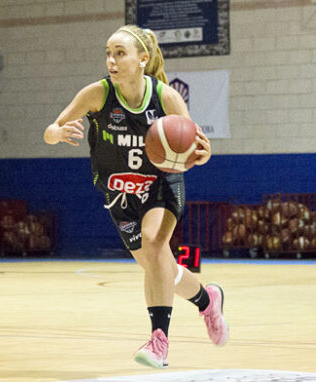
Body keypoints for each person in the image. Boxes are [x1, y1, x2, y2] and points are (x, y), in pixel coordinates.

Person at [43, 25, 227, 369]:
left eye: (120, 53)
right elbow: (51, 130)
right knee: (160, 268)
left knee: (156, 247)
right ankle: (207, 299)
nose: (112, 61)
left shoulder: (166, 98)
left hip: (161, 185)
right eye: (108, 54)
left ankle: (159, 342)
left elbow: (193, 149)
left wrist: (202, 154)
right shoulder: (96, 95)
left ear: (143, 59)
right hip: (120, 196)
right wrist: (58, 133)